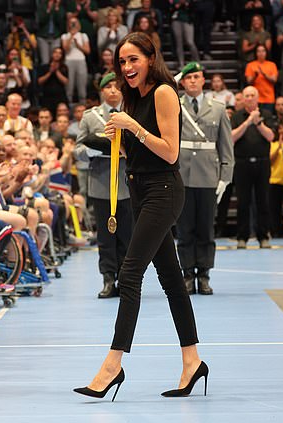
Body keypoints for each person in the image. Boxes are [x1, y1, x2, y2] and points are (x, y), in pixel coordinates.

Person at [74, 32, 207, 401]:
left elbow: (169, 152)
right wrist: (118, 135)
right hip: (140, 191)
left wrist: (134, 128)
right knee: (172, 280)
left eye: (134, 59)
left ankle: (112, 367)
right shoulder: (133, 98)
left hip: (164, 191)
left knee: (129, 274)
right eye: (122, 61)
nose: (127, 67)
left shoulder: (165, 92)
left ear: (151, 58)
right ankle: (193, 361)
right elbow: (139, 149)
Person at [175, 62, 234, 295]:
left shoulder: (217, 108)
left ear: (203, 81)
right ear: (182, 82)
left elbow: (226, 147)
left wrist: (225, 177)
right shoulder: (174, 106)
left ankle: (205, 274)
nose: (192, 81)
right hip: (182, 174)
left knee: (206, 229)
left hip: (209, 176)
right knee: (185, 228)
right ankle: (187, 274)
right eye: (188, 78)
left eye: (196, 77)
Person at [75, 72, 132, 298]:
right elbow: (77, 151)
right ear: (102, 91)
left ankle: (127, 279)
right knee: (105, 236)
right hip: (100, 182)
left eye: (117, 87)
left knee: (127, 235)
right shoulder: (91, 117)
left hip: (127, 183)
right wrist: (93, 149)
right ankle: (108, 278)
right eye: (108, 87)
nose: (113, 91)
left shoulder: (130, 113)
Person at [231, 85, 275, 249]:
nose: (249, 98)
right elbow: (231, 137)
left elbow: (271, 136)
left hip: (263, 163)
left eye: (252, 95)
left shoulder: (267, 115)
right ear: (243, 98)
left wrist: (258, 123)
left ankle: (263, 236)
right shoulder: (236, 116)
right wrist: (248, 121)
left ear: (257, 98)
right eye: (246, 95)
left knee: (263, 201)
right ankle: (242, 237)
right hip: (242, 163)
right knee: (243, 202)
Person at [61, 16, 91, 104]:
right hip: (68, 61)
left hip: (81, 61)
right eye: (71, 22)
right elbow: (65, 49)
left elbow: (87, 50)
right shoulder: (65, 36)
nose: (73, 24)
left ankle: (82, 106)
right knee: (69, 87)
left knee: (82, 87)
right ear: (68, 24)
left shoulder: (83, 35)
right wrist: (71, 36)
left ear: (78, 24)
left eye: (75, 22)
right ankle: (69, 106)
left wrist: (78, 45)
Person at [245, 44, 278, 114]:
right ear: (256, 53)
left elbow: (274, 80)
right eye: (259, 51)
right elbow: (249, 81)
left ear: (266, 53)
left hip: (268, 99)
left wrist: (264, 74)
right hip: (255, 99)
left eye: (263, 51)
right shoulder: (250, 65)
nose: (261, 53)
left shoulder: (272, 65)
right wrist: (255, 76)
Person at [37, 47, 70, 115]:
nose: (57, 54)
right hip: (47, 96)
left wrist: (57, 71)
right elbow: (39, 81)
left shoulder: (64, 67)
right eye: (55, 52)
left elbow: (66, 81)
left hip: (60, 96)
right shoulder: (44, 67)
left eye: (59, 53)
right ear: (52, 54)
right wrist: (50, 72)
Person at [170, 0, 200, 70]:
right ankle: (181, 64)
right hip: (176, 20)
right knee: (179, 43)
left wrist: (187, 4)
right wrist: (176, 6)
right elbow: (170, 8)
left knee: (190, 42)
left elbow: (194, 7)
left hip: (188, 20)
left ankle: (197, 62)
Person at [37, 0, 67, 65]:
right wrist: (48, 10)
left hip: (55, 36)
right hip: (43, 37)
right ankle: (46, 74)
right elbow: (41, 20)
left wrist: (56, 8)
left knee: (55, 60)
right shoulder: (42, 6)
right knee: (45, 61)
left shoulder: (60, 8)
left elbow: (60, 22)